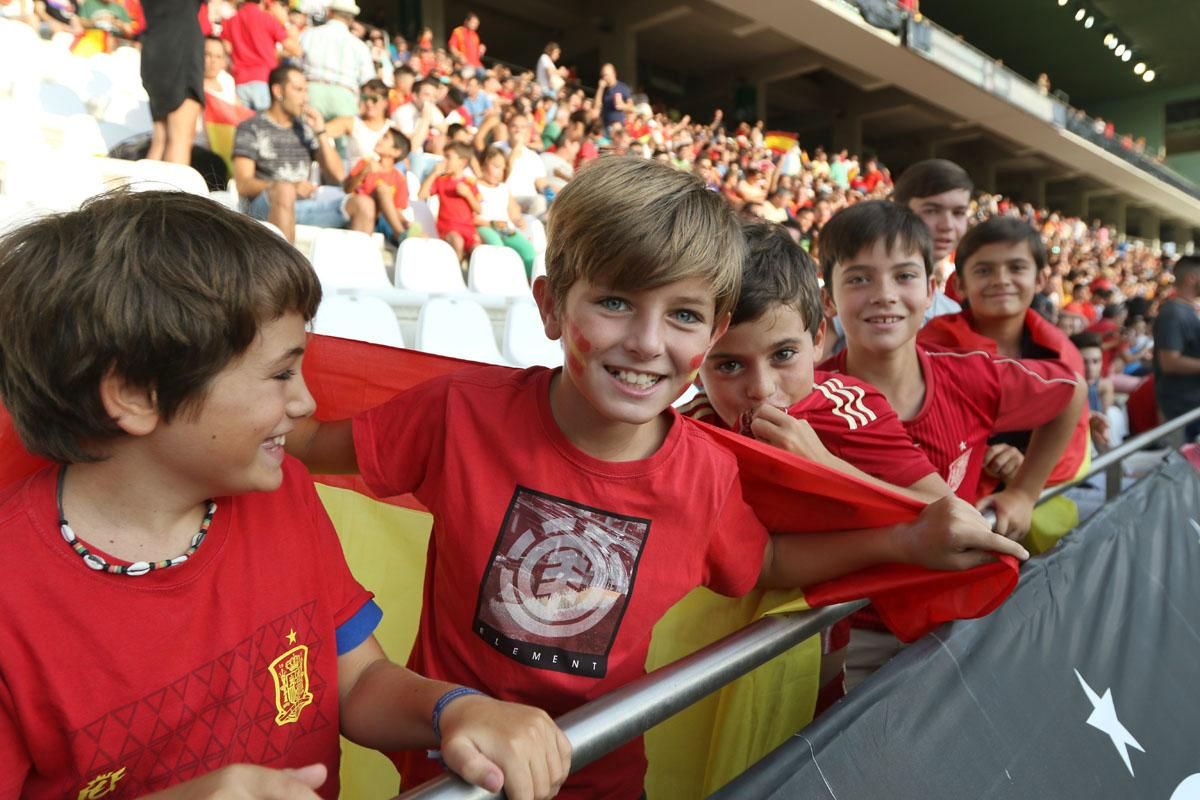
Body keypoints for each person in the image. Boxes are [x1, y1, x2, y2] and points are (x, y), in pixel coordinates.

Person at [285, 158, 1026, 798]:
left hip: (605, 783)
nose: (645, 343)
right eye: (614, 302)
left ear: (712, 330)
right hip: (458, 779)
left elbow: (759, 563)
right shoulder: (457, 415)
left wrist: (905, 540)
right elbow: (301, 446)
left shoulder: (705, 468)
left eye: (682, 315)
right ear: (550, 306)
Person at [0, 190, 570, 800]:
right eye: (280, 374)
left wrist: (453, 710)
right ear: (136, 395)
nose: (305, 404)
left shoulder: (282, 493)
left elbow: (357, 680)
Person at [684, 221, 967, 713]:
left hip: (818, 670)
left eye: (784, 355)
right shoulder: (687, 426)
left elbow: (954, 520)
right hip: (703, 670)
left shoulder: (847, 408)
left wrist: (823, 464)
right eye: (728, 365)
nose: (761, 388)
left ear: (818, 339)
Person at [816, 201, 1085, 686]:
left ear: (932, 290)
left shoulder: (972, 375)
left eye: (903, 276)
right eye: (858, 279)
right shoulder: (808, 401)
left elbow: (1071, 395)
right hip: (854, 634)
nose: (884, 295)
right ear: (829, 300)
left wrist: (1024, 492)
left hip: (963, 617)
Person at [920, 216, 1091, 503]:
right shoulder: (932, 344)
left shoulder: (1061, 351)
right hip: (951, 506)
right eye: (984, 270)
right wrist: (983, 457)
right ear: (959, 284)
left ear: (1040, 279)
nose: (1001, 280)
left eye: (1016, 268)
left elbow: (1072, 442)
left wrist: (1025, 470)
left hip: (1029, 509)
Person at [233, 64, 374, 243]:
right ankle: (287, 271)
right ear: (278, 91)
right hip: (264, 207)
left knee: (364, 204)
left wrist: (321, 132)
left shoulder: (305, 129)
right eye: (299, 90)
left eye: (306, 91)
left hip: (305, 206)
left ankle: (354, 271)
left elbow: (337, 176)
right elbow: (243, 185)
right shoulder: (251, 127)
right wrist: (289, 186)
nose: (305, 98)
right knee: (284, 191)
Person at [891, 158, 970, 321]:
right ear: (900, 212)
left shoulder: (951, 313)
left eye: (958, 213)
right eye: (931, 211)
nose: (947, 225)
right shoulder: (860, 298)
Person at [299, 0, 373, 121]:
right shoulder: (359, 46)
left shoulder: (309, 34)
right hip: (345, 95)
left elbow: (296, 63)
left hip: (312, 91)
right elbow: (368, 79)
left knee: (308, 136)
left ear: (330, 12)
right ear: (351, 19)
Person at [1153, 255, 1200, 441]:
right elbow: (1170, 362)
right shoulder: (1173, 313)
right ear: (1191, 278)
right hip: (1181, 407)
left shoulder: (1188, 310)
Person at [220, 0, 299, 111]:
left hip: (239, 81)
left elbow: (226, 49)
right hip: (264, 80)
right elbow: (296, 49)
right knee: (265, 126)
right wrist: (285, 21)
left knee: (245, 126)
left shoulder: (231, 20)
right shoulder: (267, 19)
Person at [343, 127, 413, 244]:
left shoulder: (399, 178)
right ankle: (400, 233)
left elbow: (397, 210)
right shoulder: (366, 163)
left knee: (383, 190)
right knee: (382, 190)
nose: (379, 139)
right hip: (357, 211)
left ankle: (401, 234)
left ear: (396, 152)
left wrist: (407, 223)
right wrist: (363, 173)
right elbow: (347, 189)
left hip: (380, 220)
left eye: (385, 138)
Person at [475, 145, 536, 278]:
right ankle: (499, 280)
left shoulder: (504, 188)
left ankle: (530, 284)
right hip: (484, 226)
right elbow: (472, 216)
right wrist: (490, 224)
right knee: (496, 245)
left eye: (502, 168)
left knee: (528, 250)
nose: (500, 172)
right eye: (496, 166)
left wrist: (519, 220)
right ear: (483, 164)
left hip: (504, 228)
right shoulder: (474, 186)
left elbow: (514, 213)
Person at [418, 141, 480, 263]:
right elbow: (421, 195)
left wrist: (468, 195)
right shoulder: (441, 180)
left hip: (468, 229)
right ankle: (453, 278)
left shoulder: (470, 183)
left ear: (462, 162)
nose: (444, 161)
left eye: (448, 157)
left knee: (478, 251)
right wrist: (433, 173)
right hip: (448, 228)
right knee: (457, 242)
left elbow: (479, 209)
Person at [595, 62, 630, 132]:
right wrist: (600, 88)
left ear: (614, 73)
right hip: (605, 127)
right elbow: (596, 106)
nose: (605, 78)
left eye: (606, 75)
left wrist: (623, 106)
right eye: (603, 75)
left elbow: (631, 107)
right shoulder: (603, 89)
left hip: (618, 127)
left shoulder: (623, 88)